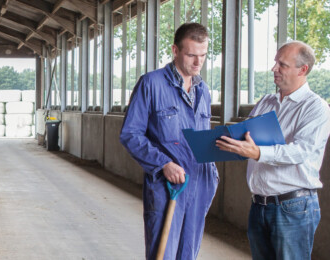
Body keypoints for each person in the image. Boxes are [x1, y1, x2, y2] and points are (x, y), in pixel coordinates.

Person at [216, 41, 330, 259]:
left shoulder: (316, 108)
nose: (274, 69)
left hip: (293, 208)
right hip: (260, 205)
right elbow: (246, 136)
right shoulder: (267, 102)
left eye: (282, 64)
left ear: (302, 69)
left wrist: (258, 153)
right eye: (275, 62)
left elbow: (300, 151)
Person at [119, 23, 218, 260]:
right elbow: (130, 134)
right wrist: (163, 163)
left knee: (188, 253)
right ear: (175, 50)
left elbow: (202, 136)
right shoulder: (151, 84)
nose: (198, 62)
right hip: (168, 184)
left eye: (203, 55)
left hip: (200, 181)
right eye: (191, 55)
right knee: (163, 252)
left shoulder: (203, 90)